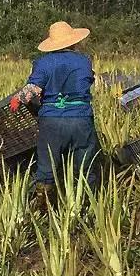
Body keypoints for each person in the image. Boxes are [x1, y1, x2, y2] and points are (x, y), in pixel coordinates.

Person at [10, 21, 101, 200]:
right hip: (80, 119)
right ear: (73, 41)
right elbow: (91, 79)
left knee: (47, 165)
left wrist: (17, 98)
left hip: (51, 122)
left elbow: (31, 91)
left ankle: (44, 206)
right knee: (85, 165)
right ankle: (88, 205)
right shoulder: (84, 60)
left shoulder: (43, 63)